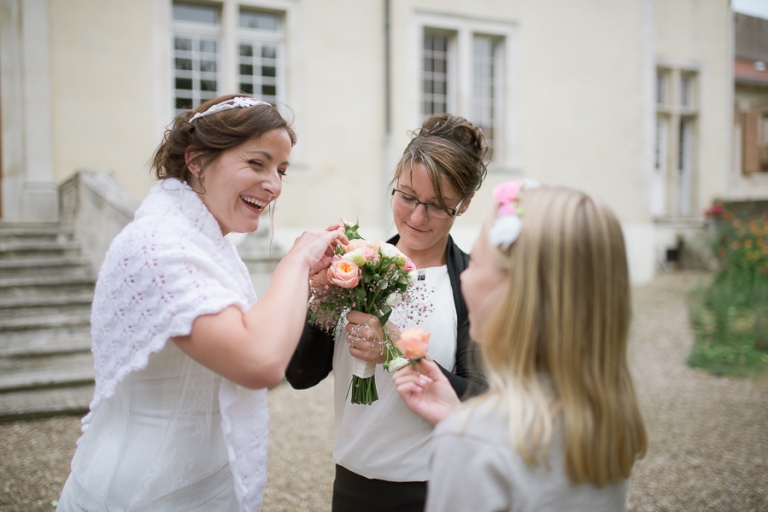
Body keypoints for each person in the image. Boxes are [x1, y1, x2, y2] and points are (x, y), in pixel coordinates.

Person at [56, 94, 346, 512]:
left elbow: (245, 330)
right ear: (196, 161)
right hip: (142, 494)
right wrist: (297, 258)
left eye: (281, 170)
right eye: (257, 163)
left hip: (202, 485)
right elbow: (259, 362)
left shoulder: (204, 242)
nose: (275, 185)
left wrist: (305, 280)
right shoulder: (159, 244)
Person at [393, 183, 649, 511]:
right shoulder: (607, 421)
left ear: (516, 294)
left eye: (479, 264)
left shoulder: (470, 442)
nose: (464, 278)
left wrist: (464, 429)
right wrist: (458, 416)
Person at [285, 113, 489, 512]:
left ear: (464, 205)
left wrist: (396, 352)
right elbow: (300, 375)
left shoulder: (472, 284)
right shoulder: (359, 266)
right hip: (351, 480)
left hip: (433, 486)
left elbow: (483, 400)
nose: (416, 217)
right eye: (407, 196)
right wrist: (321, 295)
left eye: (437, 206)